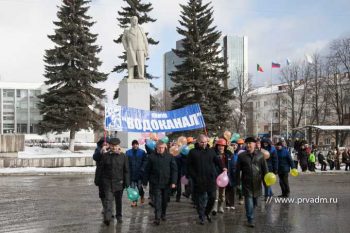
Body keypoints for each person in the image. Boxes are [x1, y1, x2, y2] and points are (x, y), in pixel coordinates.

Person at [187, 134, 224, 225]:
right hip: (199, 180)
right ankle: (201, 216)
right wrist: (194, 176)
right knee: (201, 201)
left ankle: (206, 213)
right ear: (198, 142)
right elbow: (189, 166)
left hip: (210, 179)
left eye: (205, 142)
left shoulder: (211, 151)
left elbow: (217, 160)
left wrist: (223, 167)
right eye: (202, 142)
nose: (204, 144)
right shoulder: (192, 152)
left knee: (212, 197)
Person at [142, 141, 177, 226]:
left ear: (165, 147)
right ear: (156, 148)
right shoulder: (151, 157)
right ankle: (157, 217)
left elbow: (174, 170)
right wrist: (145, 182)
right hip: (155, 182)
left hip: (167, 183)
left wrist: (173, 182)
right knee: (157, 200)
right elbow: (147, 170)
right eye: (159, 148)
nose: (161, 149)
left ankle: (163, 214)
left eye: (162, 148)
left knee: (164, 200)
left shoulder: (170, 157)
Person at [236, 137, 268, 228]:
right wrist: (238, 183)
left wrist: (266, 184)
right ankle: (250, 219)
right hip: (246, 183)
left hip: (257, 183)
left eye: (250, 143)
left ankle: (251, 215)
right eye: (247, 143)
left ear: (254, 144)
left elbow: (265, 170)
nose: (248, 145)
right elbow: (237, 170)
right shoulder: (241, 156)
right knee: (248, 201)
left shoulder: (260, 155)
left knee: (255, 202)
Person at [100, 138, 129, 225]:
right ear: (110, 146)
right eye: (112, 146)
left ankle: (119, 216)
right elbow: (101, 169)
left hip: (119, 182)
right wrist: (98, 180)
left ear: (118, 146)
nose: (114, 147)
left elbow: (126, 171)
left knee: (118, 201)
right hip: (108, 182)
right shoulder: (105, 155)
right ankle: (108, 217)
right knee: (108, 200)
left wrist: (127, 183)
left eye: (115, 146)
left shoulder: (123, 156)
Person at [212, 138, 232, 214]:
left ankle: (220, 206)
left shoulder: (227, 154)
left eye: (223, 146)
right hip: (216, 176)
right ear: (217, 146)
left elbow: (230, 165)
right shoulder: (214, 154)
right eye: (219, 146)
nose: (221, 147)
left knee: (222, 194)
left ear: (225, 147)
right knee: (216, 193)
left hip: (224, 178)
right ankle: (215, 207)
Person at [126, 140, 147, 207]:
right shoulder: (128, 152)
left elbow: (145, 161)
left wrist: (143, 168)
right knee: (132, 188)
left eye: (136, 144)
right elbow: (126, 162)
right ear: (132, 145)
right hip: (131, 174)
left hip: (139, 174)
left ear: (138, 145)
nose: (135, 145)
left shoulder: (142, 152)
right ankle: (134, 201)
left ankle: (142, 195)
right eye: (134, 144)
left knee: (139, 187)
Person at [92, 137, 109, 215]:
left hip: (110, 176)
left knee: (109, 193)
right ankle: (104, 207)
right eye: (104, 142)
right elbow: (95, 157)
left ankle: (109, 208)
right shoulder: (98, 149)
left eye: (107, 143)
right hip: (101, 175)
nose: (105, 144)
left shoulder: (112, 150)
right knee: (102, 193)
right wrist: (101, 151)